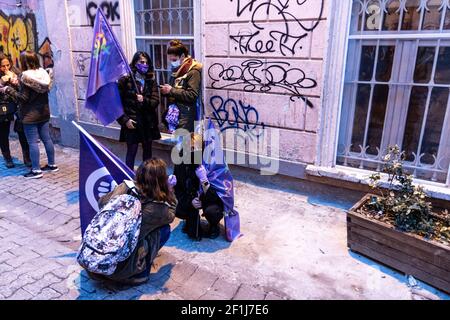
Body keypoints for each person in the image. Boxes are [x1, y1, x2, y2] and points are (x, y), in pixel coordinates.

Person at [93, 158, 176, 285]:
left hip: (96, 261)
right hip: (119, 271)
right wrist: (170, 191)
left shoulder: (124, 187)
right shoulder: (157, 208)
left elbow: (101, 203)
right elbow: (171, 214)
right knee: (164, 230)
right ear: (161, 181)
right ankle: (139, 273)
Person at [0, 51, 56, 179]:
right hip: (44, 112)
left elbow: (23, 98)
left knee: (32, 142)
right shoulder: (42, 73)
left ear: (24, 62)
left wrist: (7, 89)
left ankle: (36, 170)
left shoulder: (25, 76)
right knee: (47, 139)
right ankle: (52, 165)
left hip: (30, 115)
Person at [173, 133, 224, 240]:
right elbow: (178, 189)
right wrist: (190, 201)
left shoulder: (210, 162)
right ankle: (189, 220)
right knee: (176, 207)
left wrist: (204, 181)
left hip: (209, 199)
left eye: (195, 149)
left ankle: (214, 225)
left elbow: (219, 195)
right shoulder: (181, 162)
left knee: (212, 211)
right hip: (192, 198)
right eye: (190, 148)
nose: (192, 152)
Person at [117, 51, 161, 170]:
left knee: (148, 154)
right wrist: (125, 120)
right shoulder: (125, 80)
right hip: (132, 122)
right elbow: (116, 104)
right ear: (135, 62)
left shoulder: (150, 80)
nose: (144, 64)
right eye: (142, 62)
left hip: (147, 123)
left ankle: (147, 179)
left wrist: (144, 100)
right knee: (131, 152)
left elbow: (155, 101)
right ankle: (128, 179)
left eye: (147, 62)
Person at [160, 40, 203, 133]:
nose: (172, 62)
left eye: (174, 60)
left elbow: (192, 95)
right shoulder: (177, 70)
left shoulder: (193, 71)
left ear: (183, 56)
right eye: (170, 59)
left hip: (188, 117)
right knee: (180, 146)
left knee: (187, 146)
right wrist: (166, 91)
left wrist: (171, 90)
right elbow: (173, 90)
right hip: (178, 115)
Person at [0, 53, 30, 168]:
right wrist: (1, 83)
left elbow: (23, 89)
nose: (6, 68)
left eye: (8, 65)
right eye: (3, 66)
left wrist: (16, 82)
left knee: (21, 130)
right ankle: (7, 158)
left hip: (17, 106)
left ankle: (27, 157)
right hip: (3, 107)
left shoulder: (14, 71)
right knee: (3, 133)